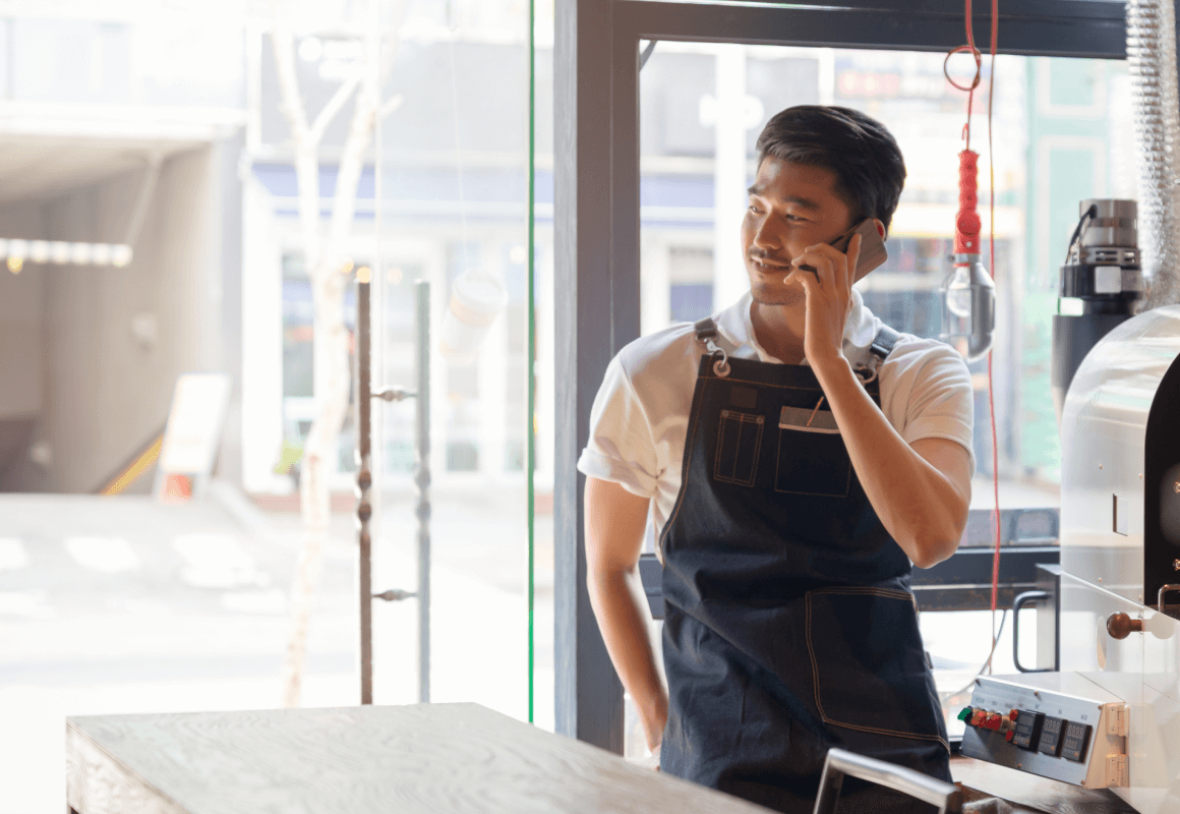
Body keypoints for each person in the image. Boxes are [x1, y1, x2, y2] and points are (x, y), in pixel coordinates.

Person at [578, 105, 974, 813]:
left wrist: (829, 363)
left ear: (864, 243)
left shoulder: (923, 374)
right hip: (718, 754)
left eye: (794, 215)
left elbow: (932, 535)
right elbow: (608, 567)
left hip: (886, 760)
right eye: (755, 208)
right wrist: (659, 721)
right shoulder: (652, 371)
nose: (762, 237)